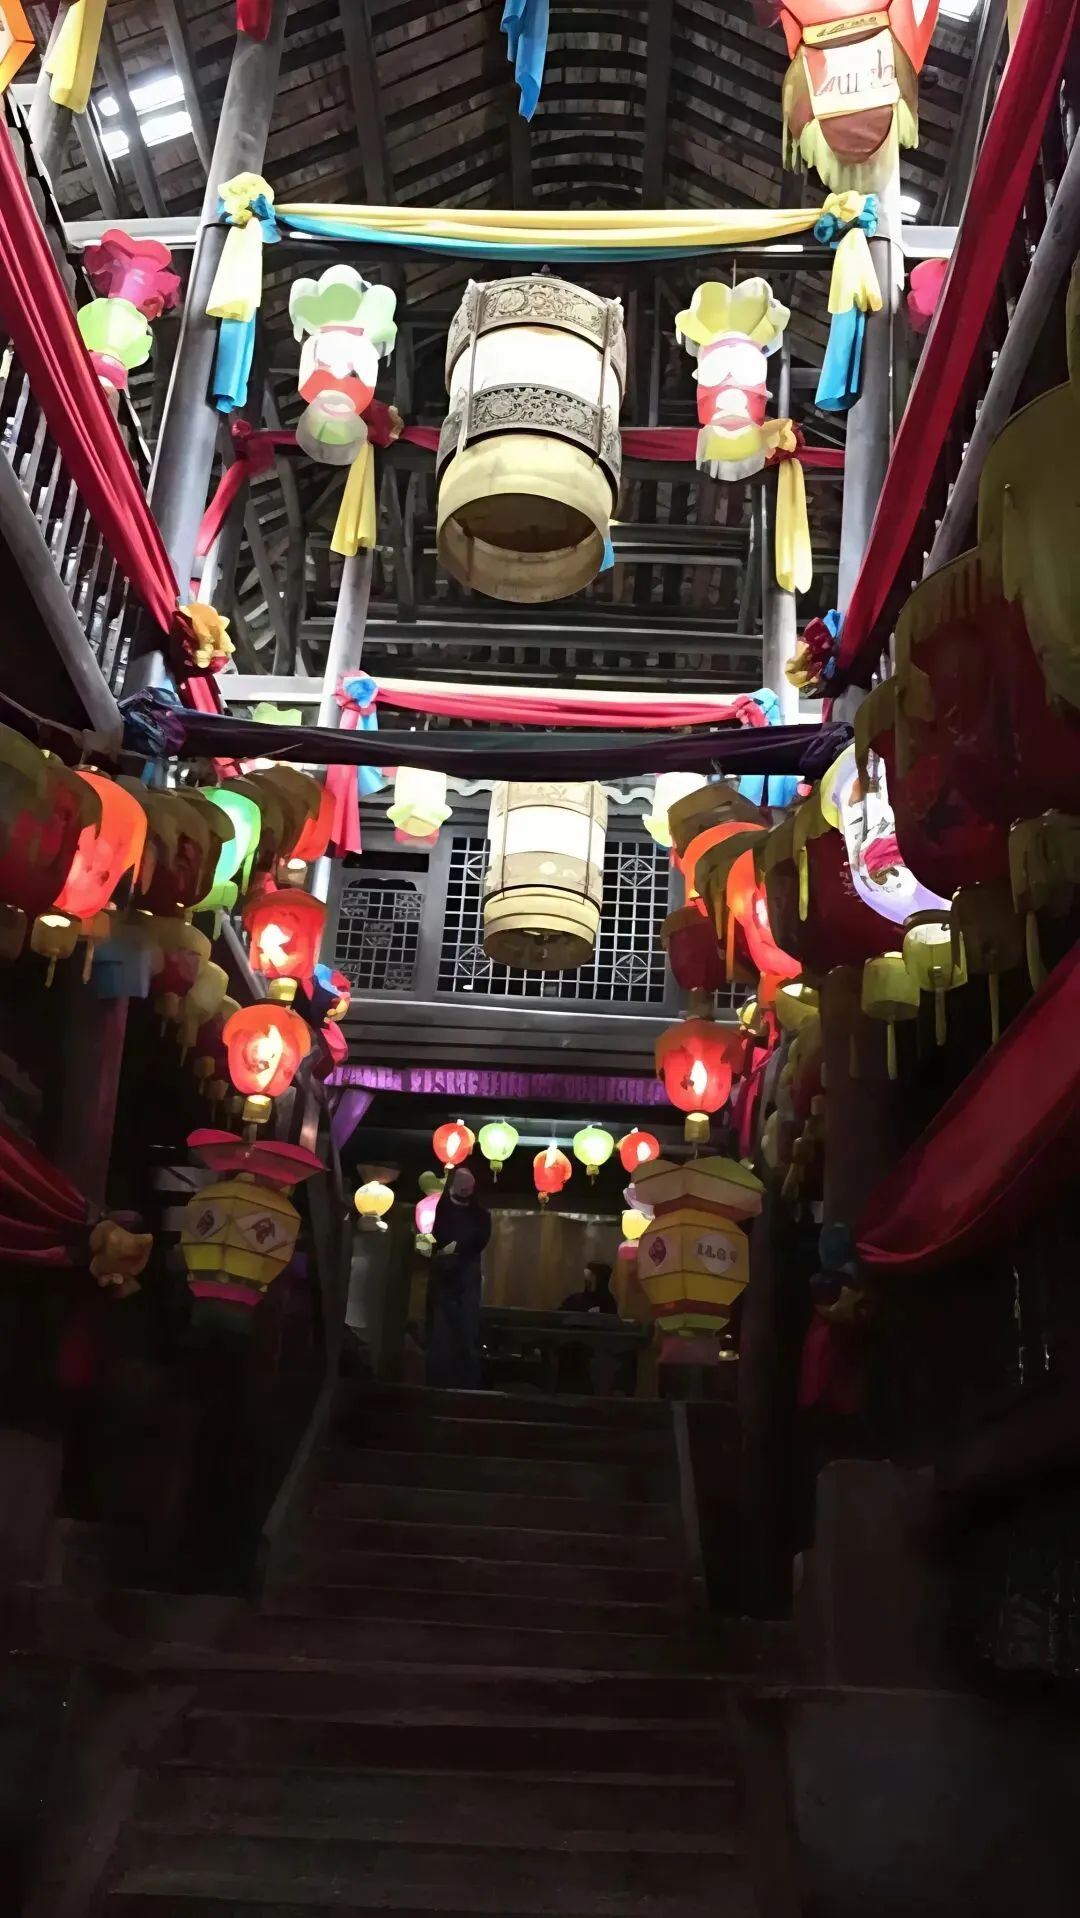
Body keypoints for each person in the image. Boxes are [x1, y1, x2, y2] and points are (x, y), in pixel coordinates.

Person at [426, 1167, 491, 1389]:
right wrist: (438, 1253)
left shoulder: (480, 1214)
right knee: (441, 1328)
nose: (466, 1188)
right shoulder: (438, 1209)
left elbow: (481, 1239)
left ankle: (466, 1383)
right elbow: (428, 1236)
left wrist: (461, 1251)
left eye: (469, 1184)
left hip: (467, 1270)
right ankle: (438, 1381)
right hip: (443, 1270)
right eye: (462, 1183)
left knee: (467, 1327)